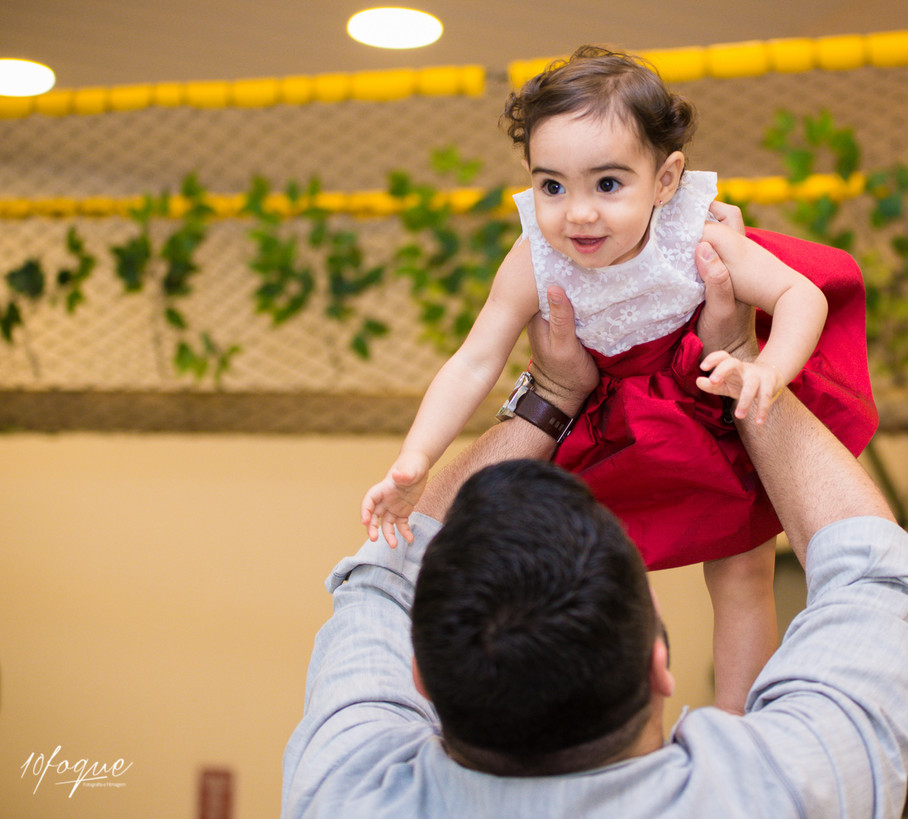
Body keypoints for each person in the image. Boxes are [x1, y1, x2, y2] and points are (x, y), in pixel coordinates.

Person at [282, 248, 908, 818]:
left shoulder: (349, 792)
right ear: (660, 665)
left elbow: (389, 570)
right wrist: (741, 356)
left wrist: (551, 391)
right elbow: (874, 579)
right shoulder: (777, 794)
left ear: (418, 675)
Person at [361, 45, 876, 712]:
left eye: (607, 185)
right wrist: (416, 456)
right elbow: (474, 358)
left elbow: (800, 296)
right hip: (613, 424)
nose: (577, 213)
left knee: (744, 570)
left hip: (706, 395)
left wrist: (767, 370)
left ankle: (738, 727)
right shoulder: (534, 257)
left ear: (665, 180)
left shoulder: (697, 235)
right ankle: (625, 724)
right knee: (608, 576)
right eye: (552, 186)